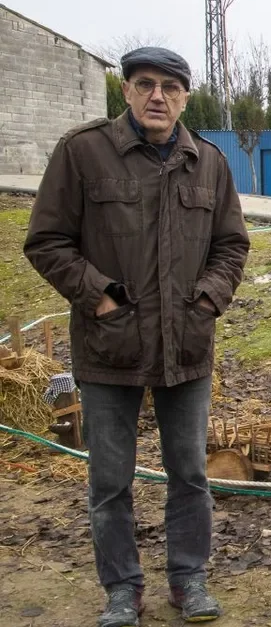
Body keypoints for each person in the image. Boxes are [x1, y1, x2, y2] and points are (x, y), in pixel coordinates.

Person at [24, 47, 250, 626]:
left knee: (190, 473)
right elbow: (46, 240)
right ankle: (122, 589)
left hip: (186, 346)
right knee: (109, 480)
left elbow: (231, 245)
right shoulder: (83, 152)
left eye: (170, 87)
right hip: (109, 345)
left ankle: (189, 580)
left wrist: (207, 301)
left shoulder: (208, 162)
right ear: (125, 90)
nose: (157, 96)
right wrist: (99, 296)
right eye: (145, 84)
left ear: (185, 98)